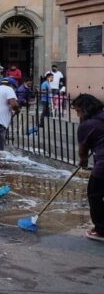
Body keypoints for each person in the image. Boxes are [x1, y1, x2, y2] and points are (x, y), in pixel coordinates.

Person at [71, 94, 104, 242]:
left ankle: (101, 230)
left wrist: (83, 162)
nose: (78, 114)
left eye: (78, 111)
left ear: (85, 109)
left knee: (94, 195)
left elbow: (83, 153)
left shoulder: (86, 125)